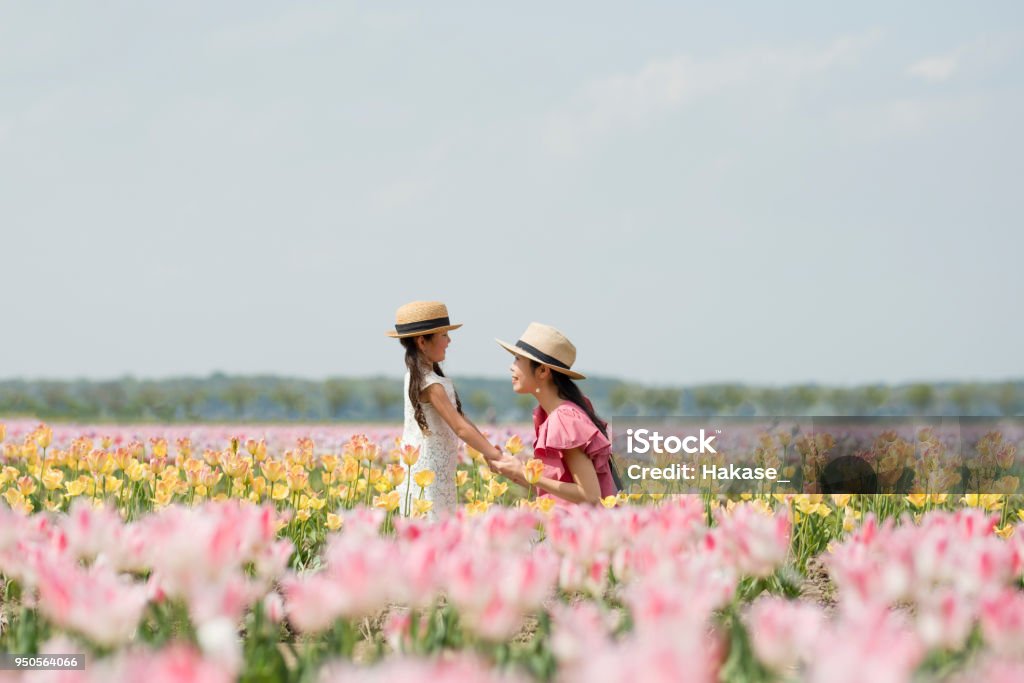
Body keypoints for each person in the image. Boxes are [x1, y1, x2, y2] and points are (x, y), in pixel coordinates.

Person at [386, 300, 507, 517]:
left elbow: (462, 418)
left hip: (433, 469)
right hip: (430, 473)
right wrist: (494, 455)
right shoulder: (430, 384)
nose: (449, 341)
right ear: (422, 341)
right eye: (444, 335)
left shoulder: (419, 377)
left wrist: (489, 450)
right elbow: (459, 427)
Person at [493, 322, 618, 506]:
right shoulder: (551, 414)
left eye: (518, 359)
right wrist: (511, 470)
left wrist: (525, 473)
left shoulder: (564, 418)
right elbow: (559, 489)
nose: (511, 367)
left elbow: (590, 495)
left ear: (543, 370)